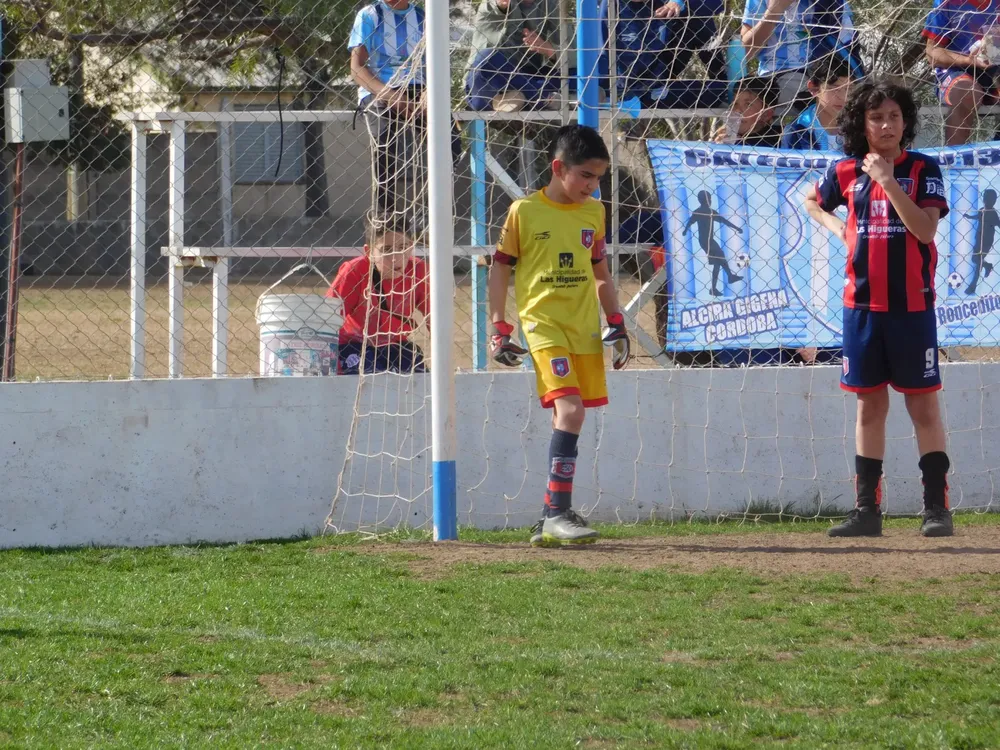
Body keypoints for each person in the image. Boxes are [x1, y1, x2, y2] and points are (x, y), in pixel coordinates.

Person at [804, 79, 953, 538]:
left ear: (906, 122)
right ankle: (867, 511)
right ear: (862, 125)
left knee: (923, 409)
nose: (886, 125)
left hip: (912, 310)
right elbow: (811, 200)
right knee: (869, 408)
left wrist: (889, 182)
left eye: (893, 116)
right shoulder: (846, 171)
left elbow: (925, 232)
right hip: (862, 309)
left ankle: (936, 509)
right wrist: (839, 226)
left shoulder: (922, 168)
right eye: (876, 117)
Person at [487, 124, 630, 547]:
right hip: (543, 325)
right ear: (558, 167)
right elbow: (500, 268)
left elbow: (600, 270)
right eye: (585, 175)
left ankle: (551, 514)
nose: (592, 185)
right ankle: (555, 514)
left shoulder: (594, 212)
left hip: (583, 327)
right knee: (571, 412)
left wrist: (616, 321)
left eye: (599, 178)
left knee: (566, 415)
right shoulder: (525, 212)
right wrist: (499, 326)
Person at [348, 0, 426, 215]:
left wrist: (430, 92)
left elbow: (433, 64)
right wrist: (390, 96)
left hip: (418, 88)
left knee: (448, 138)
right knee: (384, 136)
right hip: (379, 89)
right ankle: (385, 212)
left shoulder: (423, 17)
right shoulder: (370, 15)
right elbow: (356, 68)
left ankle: (432, 209)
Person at [327, 219, 429, 375]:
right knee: (370, 375)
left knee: (419, 377)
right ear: (369, 252)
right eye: (387, 250)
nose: (396, 257)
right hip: (353, 344)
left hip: (395, 345)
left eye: (403, 247)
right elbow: (327, 319)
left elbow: (435, 316)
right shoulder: (354, 271)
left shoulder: (418, 270)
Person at [741, 0, 863, 110]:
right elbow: (745, 51)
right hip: (776, 73)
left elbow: (847, 46)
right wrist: (774, 11)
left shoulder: (834, 2)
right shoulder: (758, 2)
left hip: (824, 72)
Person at [465, 0, 570, 112]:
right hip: (490, 81)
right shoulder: (490, 5)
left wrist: (549, 50)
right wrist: (502, 4)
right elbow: (495, 5)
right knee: (487, 57)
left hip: (527, 76)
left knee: (575, 74)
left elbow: (571, 49)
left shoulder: (550, 4)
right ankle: (543, 98)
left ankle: (517, 98)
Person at [923, 0, 1000, 146]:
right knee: (966, 91)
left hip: (994, 68)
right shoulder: (946, 3)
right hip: (955, 71)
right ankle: (956, 160)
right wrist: (968, 60)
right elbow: (932, 53)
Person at [780, 57, 851, 150]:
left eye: (850, 88)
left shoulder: (863, 126)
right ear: (813, 88)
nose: (844, 97)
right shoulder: (797, 132)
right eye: (834, 89)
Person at [683, 191, 743, 297]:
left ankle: (715, 287)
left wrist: (685, 230)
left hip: (705, 240)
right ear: (707, 200)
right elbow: (724, 221)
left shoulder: (703, 212)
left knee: (717, 262)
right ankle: (729, 277)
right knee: (720, 256)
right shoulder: (707, 212)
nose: (710, 201)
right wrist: (737, 228)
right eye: (709, 199)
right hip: (706, 241)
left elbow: (690, 222)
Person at [712, 76, 783, 146]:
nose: (737, 110)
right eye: (735, 103)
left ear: (766, 114)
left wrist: (738, 143)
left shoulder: (775, 142)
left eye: (748, 104)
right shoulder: (729, 137)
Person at [965, 189, 1000, 294]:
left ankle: (972, 286)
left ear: (992, 201)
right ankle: (987, 266)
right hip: (978, 238)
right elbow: (978, 217)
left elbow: (998, 224)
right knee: (975, 259)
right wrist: (969, 217)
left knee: (978, 262)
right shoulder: (982, 210)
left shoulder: (993, 213)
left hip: (986, 241)